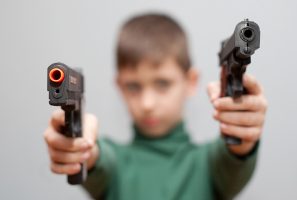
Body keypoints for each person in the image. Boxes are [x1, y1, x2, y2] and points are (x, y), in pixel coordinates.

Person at [44, 13, 268, 200]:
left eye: (162, 84)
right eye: (133, 87)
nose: (147, 104)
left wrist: (244, 134)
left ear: (190, 82)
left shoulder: (209, 164)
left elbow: (235, 154)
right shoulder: (114, 166)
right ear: (119, 87)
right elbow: (98, 158)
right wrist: (80, 145)